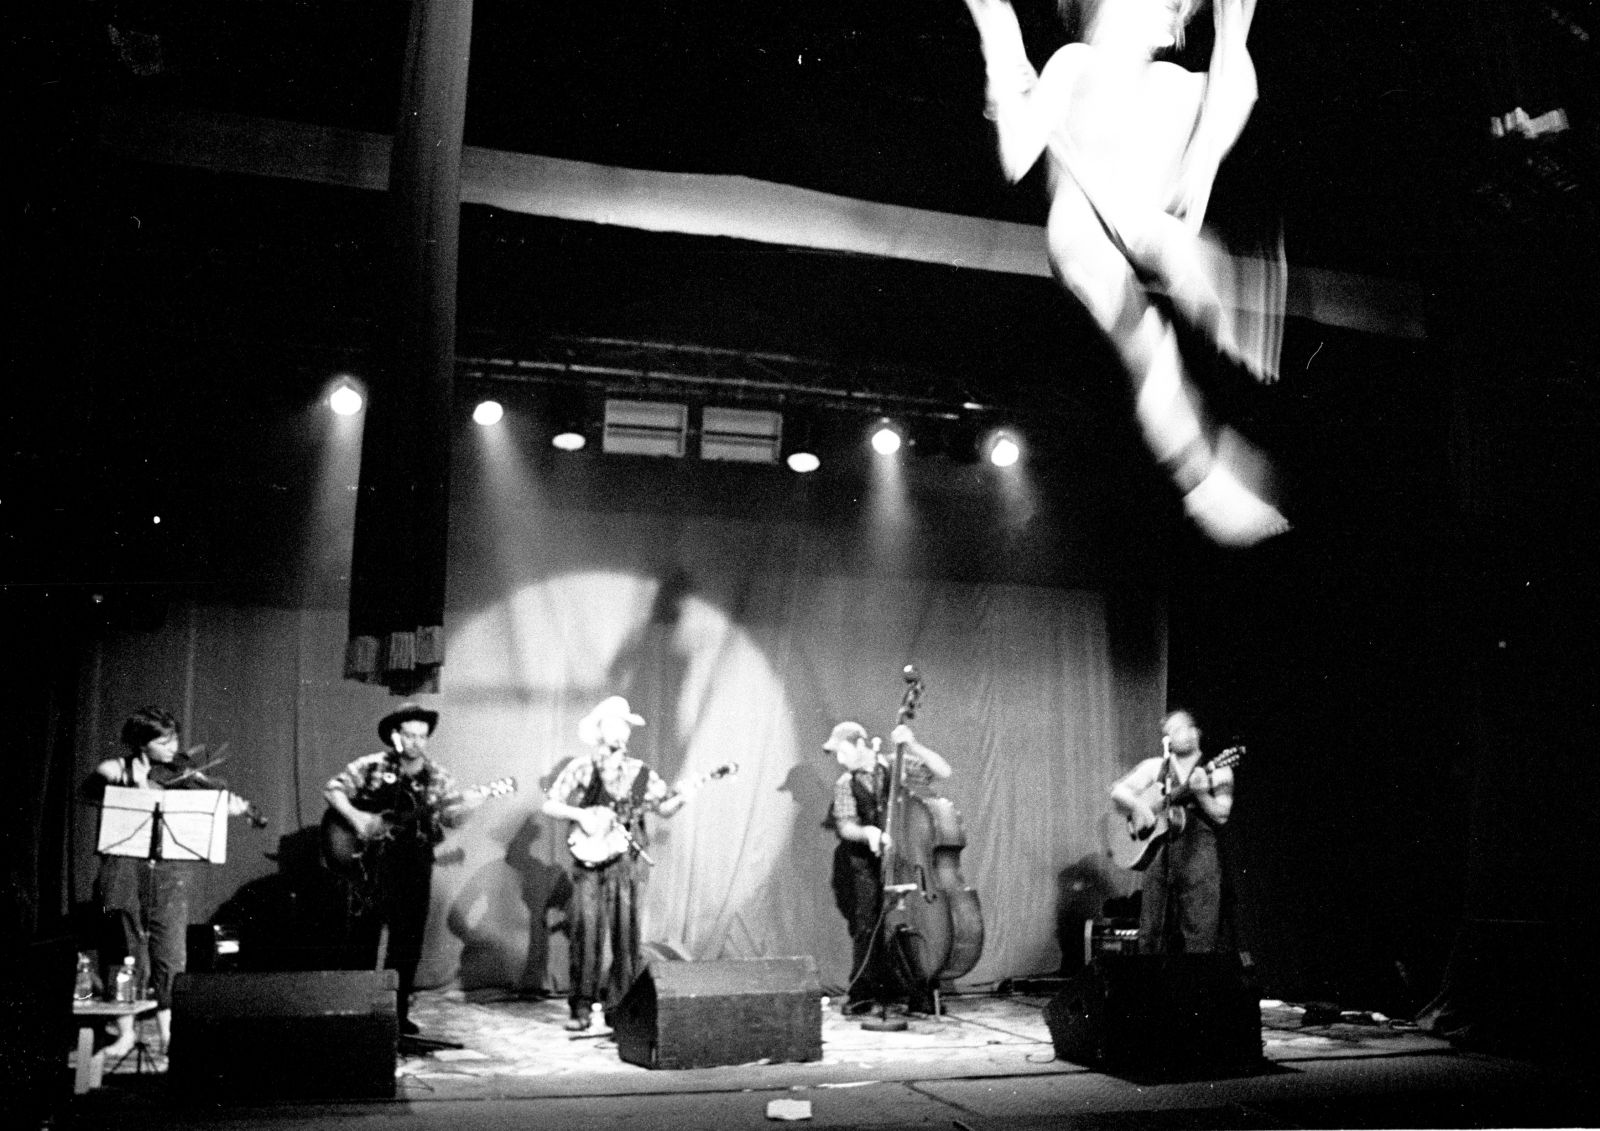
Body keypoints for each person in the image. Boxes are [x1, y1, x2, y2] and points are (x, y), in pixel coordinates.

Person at [957, 0, 1289, 546]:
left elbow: (1239, 87)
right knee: (1146, 336)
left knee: (1184, 250)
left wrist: (1232, 42)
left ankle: (1213, 317)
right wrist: (1005, 82)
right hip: (1083, 228)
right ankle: (1201, 477)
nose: (1158, 20)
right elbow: (1017, 159)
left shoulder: (1173, 87)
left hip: (1142, 216)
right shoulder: (1075, 65)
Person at [89, 706, 254, 1059]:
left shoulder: (181, 773)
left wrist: (228, 807)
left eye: (174, 739)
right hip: (124, 867)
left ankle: (168, 1035)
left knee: (169, 949)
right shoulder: (115, 769)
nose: (173, 747)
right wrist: (134, 786)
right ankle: (125, 1032)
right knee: (124, 944)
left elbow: (209, 800)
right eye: (163, 742)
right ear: (141, 743)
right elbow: (94, 790)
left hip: (170, 870)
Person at [324, 702, 482, 1036]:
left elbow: (452, 817)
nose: (416, 743)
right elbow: (333, 789)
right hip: (371, 864)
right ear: (396, 736)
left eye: (422, 737)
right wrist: (360, 819)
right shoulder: (372, 766)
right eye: (409, 735)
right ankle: (356, 1011)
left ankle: (396, 1013)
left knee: (407, 943)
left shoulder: (437, 777)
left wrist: (469, 806)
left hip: (413, 864)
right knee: (363, 940)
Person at [540, 695, 684, 1031]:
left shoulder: (640, 773)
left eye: (624, 727)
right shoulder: (581, 768)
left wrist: (681, 799)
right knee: (586, 931)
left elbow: (664, 808)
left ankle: (619, 1007)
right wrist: (581, 815)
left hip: (627, 862)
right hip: (588, 862)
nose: (620, 732)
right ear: (600, 730)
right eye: (613, 725)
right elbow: (551, 805)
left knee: (625, 934)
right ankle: (581, 1006)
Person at [824, 720, 953, 1015]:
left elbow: (942, 771)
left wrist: (913, 744)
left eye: (841, 750)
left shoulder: (897, 765)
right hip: (866, 863)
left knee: (913, 921)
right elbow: (846, 826)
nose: (839, 760)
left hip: (908, 858)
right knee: (868, 925)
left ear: (859, 744)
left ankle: (919, 988)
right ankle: (861, 992)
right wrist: (868, 832)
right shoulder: (846, 783)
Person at [1109, 708, 1234, 952]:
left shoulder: (1219, 770)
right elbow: (1117, 791)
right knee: (1151, 933)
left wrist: (1200, 794)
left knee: (1200, 934)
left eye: (1180, 727)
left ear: (1195, 731)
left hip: (1199, 858)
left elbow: (1222, 814)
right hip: (1159, 856)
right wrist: (1140, 807)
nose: (1173, 735)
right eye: (1169, 731)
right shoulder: (1155, 767)